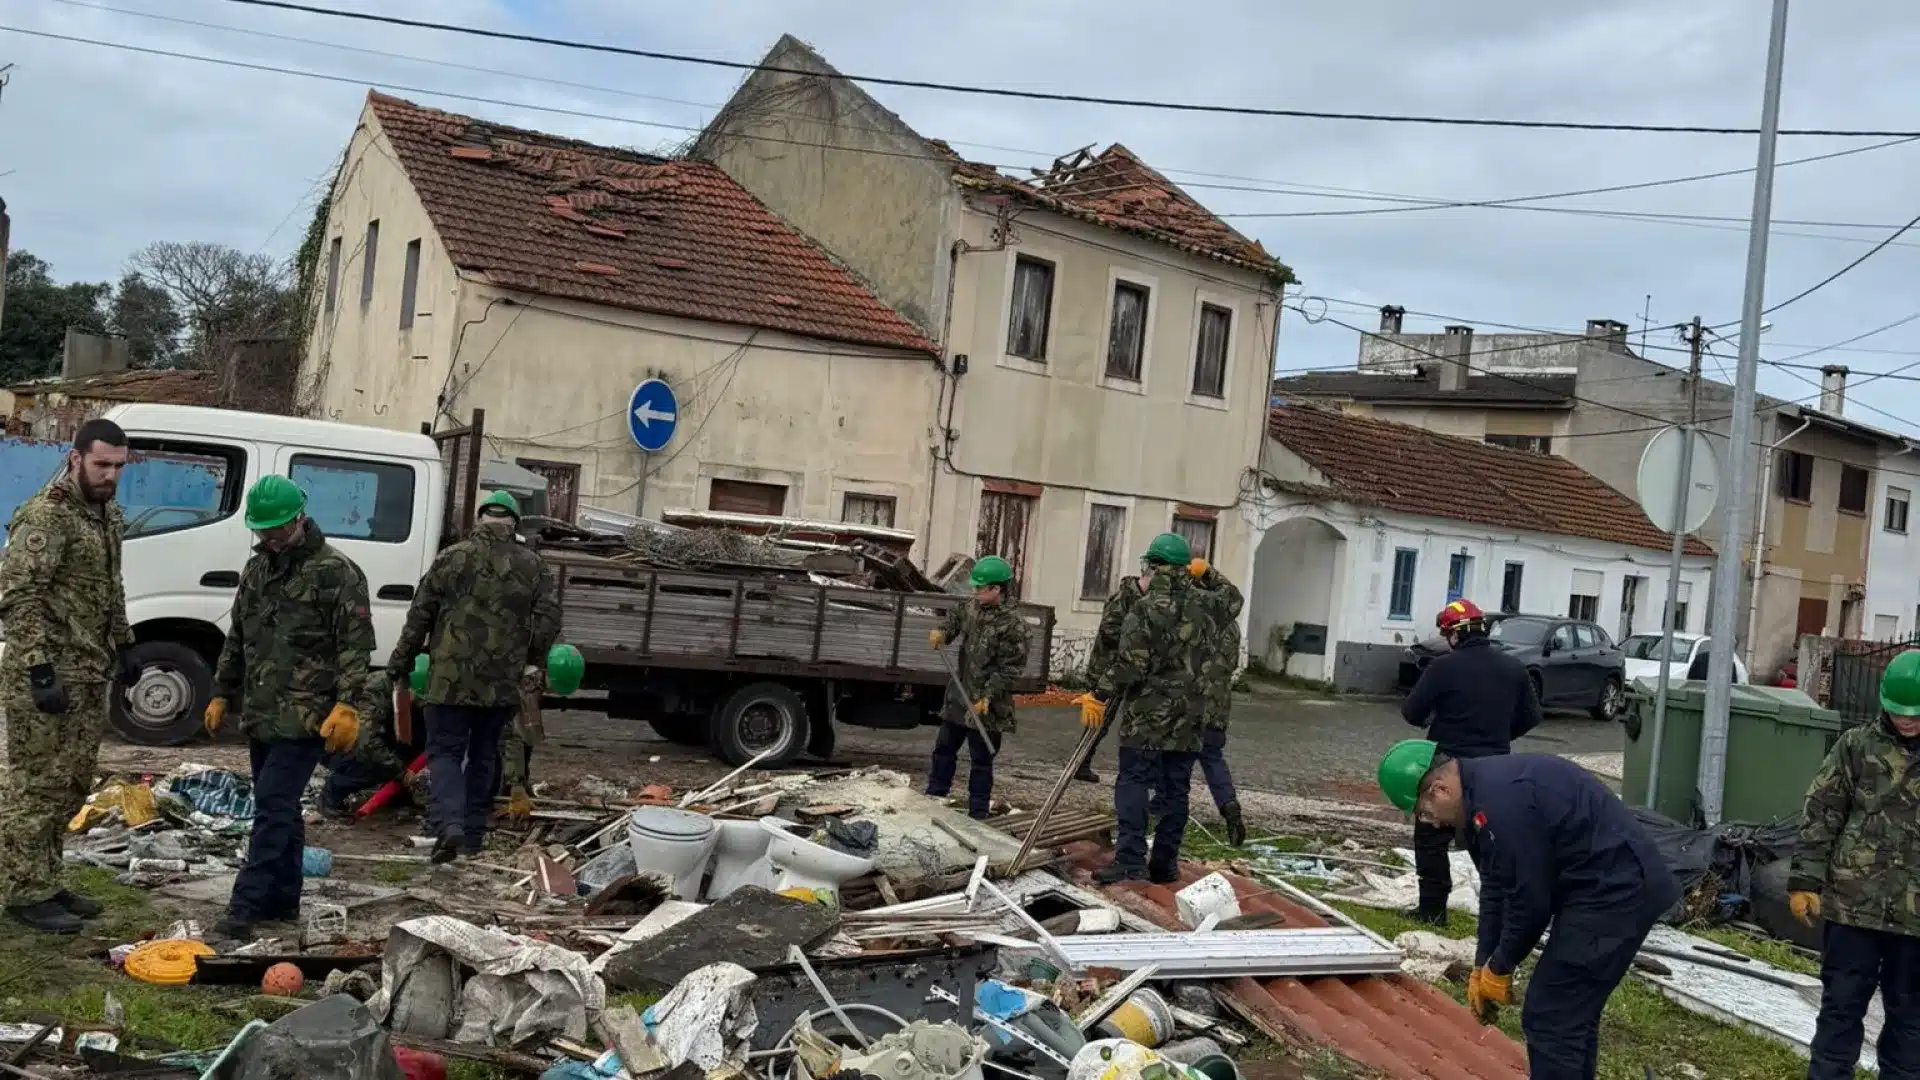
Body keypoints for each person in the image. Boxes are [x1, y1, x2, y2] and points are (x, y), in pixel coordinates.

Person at [1379, 739, 1679, 1080]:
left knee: (1551, 1014)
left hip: (1618, 891)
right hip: (1597, 887)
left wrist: (1502, 965)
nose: (1429, 824)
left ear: (1439, 789)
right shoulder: (1480, 800)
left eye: (1423, 813)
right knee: (1568, 1014)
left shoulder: (1501, 805)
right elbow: (1495, 888)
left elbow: (1530, 905)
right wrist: (1482, 963)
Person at [206, 476, 376, 940]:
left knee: (272, 807)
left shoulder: (336, 573)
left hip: (307, 717)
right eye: (264, 532)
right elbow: (238, 636)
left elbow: (355, 647)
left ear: (300, 518)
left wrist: (347, 704)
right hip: (262, 713)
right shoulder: (256, 571)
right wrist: (223, 690)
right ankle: (284, 902)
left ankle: (243, 909)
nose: (272, 539)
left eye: (279, 530)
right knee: (279, 808)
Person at [0, 419, 136, 934]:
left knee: (72, 785)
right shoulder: (46, 517)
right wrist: (38, 669)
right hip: (47, 673)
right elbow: (19, 596)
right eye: (102, 464)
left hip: (88, 670)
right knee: (36, 786)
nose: (111, 476)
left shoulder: (107, 516)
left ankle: (48, 880)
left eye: (119, 467)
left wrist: (125, 645)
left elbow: (111, 585)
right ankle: (23, 892)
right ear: (75, 458)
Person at [388, 490, 560, 864]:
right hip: (501, 682)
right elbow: (549, 618)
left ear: (481, 519)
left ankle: (449, 825)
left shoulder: (451, 558)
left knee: (445, 753)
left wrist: (399, 662)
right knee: (485, 755)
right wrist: (533, 659)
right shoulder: (533, 566)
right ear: (513, 523)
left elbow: (420, 615)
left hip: (448, 679)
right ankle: (473, 835)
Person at [1788, 648, 1920, 1080]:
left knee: (1911, 1025)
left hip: (1915, 921)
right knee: (1840, 1011)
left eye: (1916, 715)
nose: (1907, 721)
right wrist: (1805, 879)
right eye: (1900, 712)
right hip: (1852, 910)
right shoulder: (1856, 748)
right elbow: (1821, 813)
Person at [1398, 598, 1541, 926]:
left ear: (1454, 635)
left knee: (1431, 836)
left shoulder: (1442, 667)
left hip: (1449, 765)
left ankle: (1433, 911)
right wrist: (1500, 734)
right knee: (1489, 840)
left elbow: (1411, 712)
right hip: (1496, 768)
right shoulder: (1513, 668)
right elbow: (1532, 717)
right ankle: (1501, 916)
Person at [1086, 532, 1210, 885]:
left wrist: (1099, 691)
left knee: (1135, 784)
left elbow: (1131, 665)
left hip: (1148, 717)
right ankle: (1165, 863)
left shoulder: (1144, 609)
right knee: (1176, 790)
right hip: (1190, 717)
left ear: (1153, 567)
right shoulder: (1207, 608)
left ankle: (1129, 860)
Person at [925, 555, 1030, 819]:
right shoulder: (972, 608)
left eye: (980, 587)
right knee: (943, 751)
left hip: (988, 706)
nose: (975, 591)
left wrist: (988, 697)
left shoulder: (1014, 625)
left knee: (981, 761)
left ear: (997, 589)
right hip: (960, 696)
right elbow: (953, 621)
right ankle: (935, 798)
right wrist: (943, 633)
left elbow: (1011, 669)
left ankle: (978, 813)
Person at [1189, 557, 1246, 846]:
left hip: (1191, 701)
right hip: (1218, 705)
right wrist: (1213, 574)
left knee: (1177, 761)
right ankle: (1229, 807)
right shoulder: (1232, 627)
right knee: (1212, 759)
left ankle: (1163, 806)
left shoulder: (1195, 618)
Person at [1074, 571, 1145, 784]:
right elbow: (1109, 631)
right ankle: (1080, 763)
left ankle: (1083, 762)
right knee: (1099, 721)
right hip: (1108, 669)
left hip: (1128, 669)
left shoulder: (1145, 601)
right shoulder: (1123, 598)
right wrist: (1135, 641)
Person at [318, 666, 414, 820]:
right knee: (376, 763)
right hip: (336, 742)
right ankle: (332, 794)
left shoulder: (393, 688)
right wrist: (400, 772)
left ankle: (395, 793)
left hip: (351, 739)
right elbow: (368, 742)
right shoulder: (376, 693)